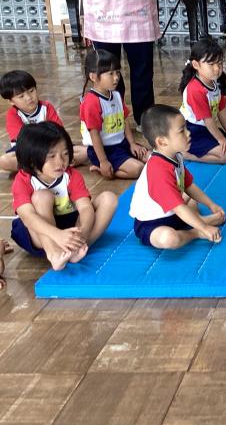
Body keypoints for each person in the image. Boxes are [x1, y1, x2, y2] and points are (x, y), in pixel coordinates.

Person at [10, 122, 118, 271]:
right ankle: (54, 253)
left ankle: (76, 248)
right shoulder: (23, 180)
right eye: (52, 156)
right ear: (32, 160)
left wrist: (83, 231)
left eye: (65, 154)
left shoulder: (71, 175)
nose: (60, 162)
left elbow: (85, 207)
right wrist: (57, 235)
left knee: (109, 199)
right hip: (38, 233)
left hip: (69, 227)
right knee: (42, 196)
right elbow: (28, 217)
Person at [130, 104, 226, 249]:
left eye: (186, 128)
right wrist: (204, 229)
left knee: (190, 198)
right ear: (162, 141)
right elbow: (178, 207)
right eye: (182, 131)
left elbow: (189, 186)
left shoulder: (176, 156)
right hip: (152, 224)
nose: (188, 133)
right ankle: (196, 231)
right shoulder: (157, 170)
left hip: (174, 214)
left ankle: (198, 221)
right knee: (170, 239)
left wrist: (211, 204)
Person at [1, 70, 88, 172]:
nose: (29, 98)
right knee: (4, 160)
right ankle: (55, 164)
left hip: (52, 146)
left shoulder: (47, 107)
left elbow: (59, 131)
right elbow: (22, 140)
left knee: (86, 151)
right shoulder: (13, 115)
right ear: (11, 101)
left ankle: (38, 166)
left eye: (31, 91)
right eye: (21, 96)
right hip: (27, 151)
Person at [80, 49, 148, 179]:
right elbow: (94, 135)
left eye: (117, 72)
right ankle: (100, 168)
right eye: (110, 74)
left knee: (151, 157)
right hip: (105, 150)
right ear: (93, 77)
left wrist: (132, 143)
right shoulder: (91, 102)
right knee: (138, 169)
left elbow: (124, 121)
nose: (116, 77)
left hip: (121, 144)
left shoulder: (116, 95)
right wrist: (104, 161)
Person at [180, 39, 226, 164]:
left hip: (206, 128)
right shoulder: (195, 90)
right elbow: (207, 120)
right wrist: (221, 139)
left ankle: (214, 146)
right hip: (191, 132)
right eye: (211, 64)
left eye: (219, 63)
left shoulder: (215, 82)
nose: (217, 68)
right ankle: (187, 154)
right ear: (196, 65)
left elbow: (221, 109)